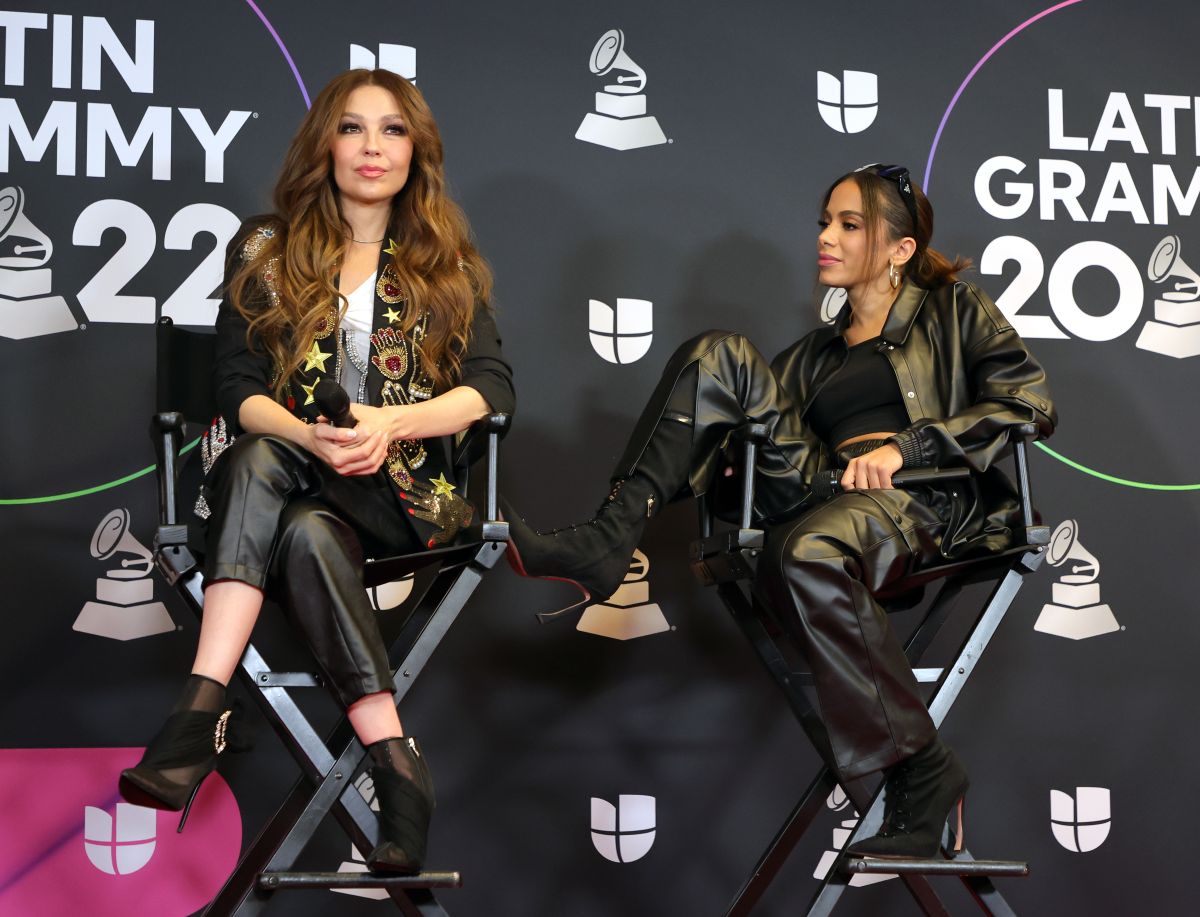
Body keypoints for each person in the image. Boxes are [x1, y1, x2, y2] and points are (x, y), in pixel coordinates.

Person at [503, 163, 1054, 859]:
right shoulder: (814, 355)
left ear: (900, 249)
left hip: (924, 501)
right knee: (720, 354)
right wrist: (729, 463)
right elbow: (763, 451)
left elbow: (1028, 403)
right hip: (824, 494)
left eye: (850, 225)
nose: (826, 236)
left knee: (807, 549)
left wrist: (905, 447)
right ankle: (606, 540)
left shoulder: (955, 310)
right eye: (824, 221)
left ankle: (924, 764)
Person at [118, 69, 514, 875]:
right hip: (288, 485)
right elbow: (235, 387)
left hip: (398, 495)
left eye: (393, 130)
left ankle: (198, 713)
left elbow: (491, 390)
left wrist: (391, 423)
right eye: (353, 128)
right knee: (290, 510)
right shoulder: (264, 246)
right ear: (323, 144)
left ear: (417, 150)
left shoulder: (449, 263)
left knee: (277, 478)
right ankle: (397, 765)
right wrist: (309, 433)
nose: (373, 147)